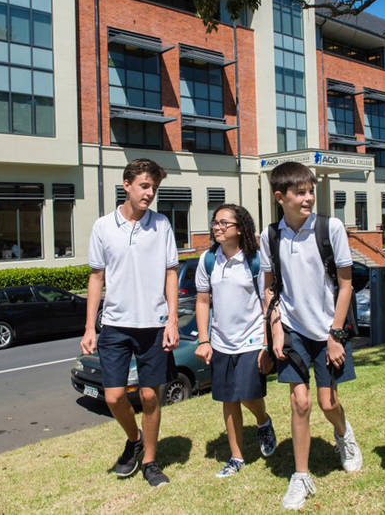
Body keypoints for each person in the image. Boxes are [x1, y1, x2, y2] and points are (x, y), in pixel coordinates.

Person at [259, 161, 363, 511]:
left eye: (310, 191)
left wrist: (335, 335)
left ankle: (343, 434)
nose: (308, 198)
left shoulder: (330, 228)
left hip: (329, 329)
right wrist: (275, 330)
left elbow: (346, 285)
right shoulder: (270, 236)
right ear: (280, 197)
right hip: (293, 330)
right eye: (300, 193)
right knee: (299, 402)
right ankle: (301, 476)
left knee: (327, 402)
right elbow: (269, 288)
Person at [80, 158, 179, 487]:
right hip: (115, 325)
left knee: (150, 397)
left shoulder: (161, 224)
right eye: (144, 186)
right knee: (113, 397)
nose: (150, 193)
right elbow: (96, 277)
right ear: (127, 185)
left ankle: (150, 461)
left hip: (154, 324)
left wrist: (172, 320)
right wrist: (90, 327)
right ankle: (134, 439)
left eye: (154, 188)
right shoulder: (103, 227)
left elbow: (171, 273)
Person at [194, 204, 278, 478]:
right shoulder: (208, 260)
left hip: (251, 340)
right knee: (228, 399)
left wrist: (266, 344)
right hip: (221, 341)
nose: (217, 227)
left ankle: (263, 421)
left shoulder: (255, 261)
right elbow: (203, 301)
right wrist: (204, 340)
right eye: (215, 222)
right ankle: (236, 457)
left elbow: (266, 303)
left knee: (248, 394)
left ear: (240, 229)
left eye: (224, 223)